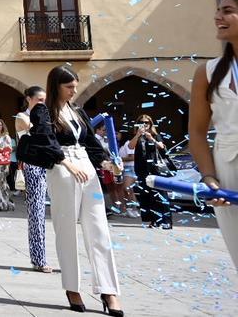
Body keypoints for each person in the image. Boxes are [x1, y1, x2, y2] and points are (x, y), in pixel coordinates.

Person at [30, 66, 123, 316]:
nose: (74, 90)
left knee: (99, 229)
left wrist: (107, 163)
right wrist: (66, 163)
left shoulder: (78, 111)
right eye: (69, 86)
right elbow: (45, 139)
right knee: (67, 228)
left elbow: (92, 143)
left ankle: (108, 290)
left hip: (87, 167)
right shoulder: (43, 111)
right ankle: (72, 287)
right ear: (56, 86)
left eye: (75, 86)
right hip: (62, 168)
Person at [189, 0, 238, 269]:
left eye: (227, 10)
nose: (218, 16)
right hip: (227, 172)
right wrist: (209, 178)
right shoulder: (206, 72)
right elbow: (196, 132)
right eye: (218, 10)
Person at [15, 86, 52, 273]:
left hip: (51, 164)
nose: (43, 104)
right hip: (34, 164)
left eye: (45, 100)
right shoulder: (22, 117)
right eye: (39, 100)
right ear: (28, 99)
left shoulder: (48, 116)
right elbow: (39, 131)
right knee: (37, 212)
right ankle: (39, 258)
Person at [128, 114, 173, 229]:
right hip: (142, 169)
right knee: (146, 195)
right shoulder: (137, 136)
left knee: (160, 195)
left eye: (146, 122)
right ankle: (153, 221)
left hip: (156, 169)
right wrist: (138, 134)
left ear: (150, 124)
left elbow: (162, 147)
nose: (144, 125)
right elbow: (130, 146)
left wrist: (151, 139)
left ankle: (165, 221)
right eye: (141, 122)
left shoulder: (155, 135)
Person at [0, 118, 15, 212]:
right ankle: (8, 203)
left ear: (2, 126)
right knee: (0, 183)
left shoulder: (6, 137)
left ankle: (0, 204)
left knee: (1, 183)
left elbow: (9, 149)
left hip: (3, 163)